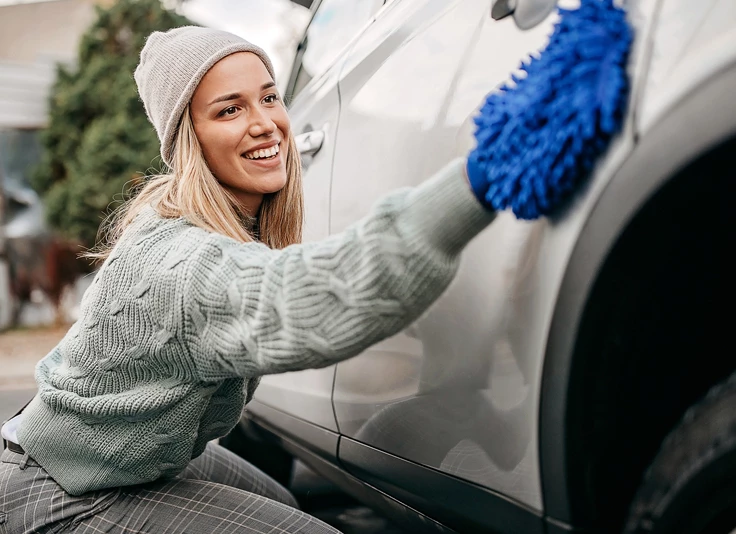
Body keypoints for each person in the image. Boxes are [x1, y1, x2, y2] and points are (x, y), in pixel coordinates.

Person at [0, 26, 523, 533]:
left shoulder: (215, 231)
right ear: (189, 138)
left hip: (106, 461)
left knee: (282, 501)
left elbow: (313, 271)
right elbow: (317, 303)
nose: (265, 123)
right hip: (59, 490)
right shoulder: (180, 261)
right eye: (229, 109)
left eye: (270, 98)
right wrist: (478, 177)